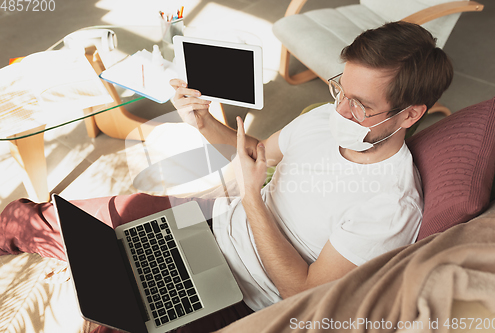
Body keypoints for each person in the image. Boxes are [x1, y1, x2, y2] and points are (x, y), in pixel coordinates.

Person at [0, 21, 453, 333]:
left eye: (361, 105)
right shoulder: (323, 121)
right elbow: (258, 153)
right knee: (56, 218)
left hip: (241, 295)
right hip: (210, 225)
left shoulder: (389, 205)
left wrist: (253, 197)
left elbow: (303, 293)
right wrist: (200, 121)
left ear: (410, 114)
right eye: (340, 89)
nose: (341, 110)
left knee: (115, 313)